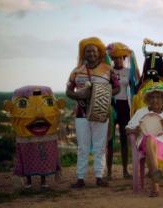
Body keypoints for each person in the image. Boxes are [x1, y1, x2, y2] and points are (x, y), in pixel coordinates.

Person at [66, 37, 120, 188]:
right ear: (83, 54)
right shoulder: (76, 71)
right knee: (82, 147)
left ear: (99, 53)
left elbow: (117, 88)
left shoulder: (108, 69)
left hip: (101, 112)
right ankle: (80, 178)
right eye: (88, 51)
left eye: (94, 51)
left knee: (100, 146)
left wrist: (102, 94)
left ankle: (99, 176)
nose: (91, 54)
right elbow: (68, 91)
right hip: (81, 114)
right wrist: (79, 95)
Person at [3, 86, 65, 189]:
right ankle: (29, 181)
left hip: (46, 138)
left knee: (44, 158)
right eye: (22, 103)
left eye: (49, 102)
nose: (38, 112)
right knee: (27, 157)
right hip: (26, 139)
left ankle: (43, 181)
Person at [106, 42, 140, 179]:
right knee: (109, 140)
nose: (118, 60)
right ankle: (108, 172)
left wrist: (134, 58)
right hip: (111, 106)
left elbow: (136, 86)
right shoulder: (108, 71)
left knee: (125, 140)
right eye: (115, 58)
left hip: (125, 106)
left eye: (121, 57)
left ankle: (125, 170)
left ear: (124, 58)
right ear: (112, 58)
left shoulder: (128, 72)